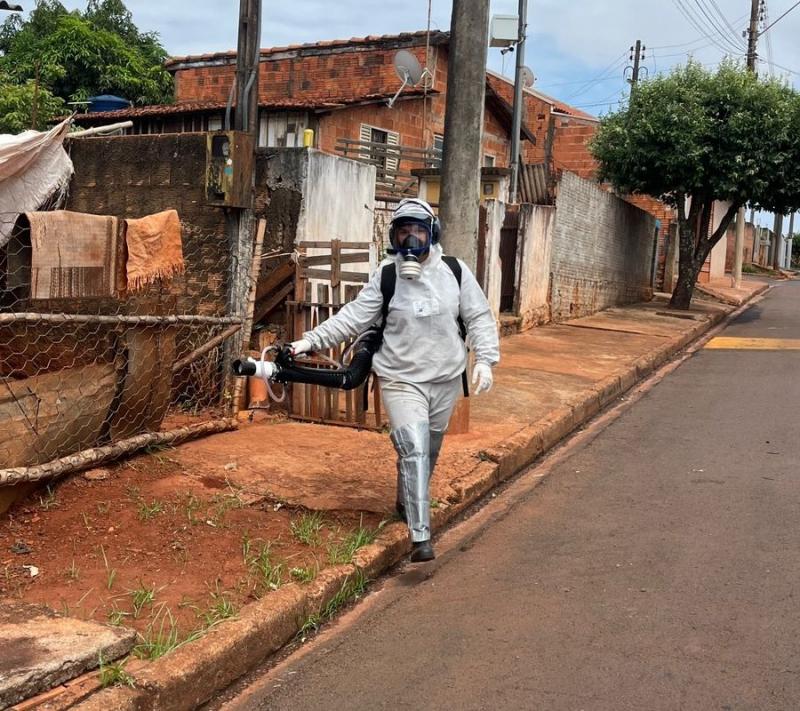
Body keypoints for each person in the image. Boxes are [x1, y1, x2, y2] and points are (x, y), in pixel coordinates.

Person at [289, 198, 500, 562]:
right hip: (401, 377)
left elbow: (478, 316)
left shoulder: (455, 270)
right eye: (403, 231)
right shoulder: (387, 275)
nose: (411, 238)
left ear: (431, 232)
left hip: (446, 378)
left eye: (418, 230)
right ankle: (421, 537)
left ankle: (406, 501)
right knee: (412, 444)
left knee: (428, 450)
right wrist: (309, 341)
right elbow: (353, 317)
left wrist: (485, 360)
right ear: (394, 236)